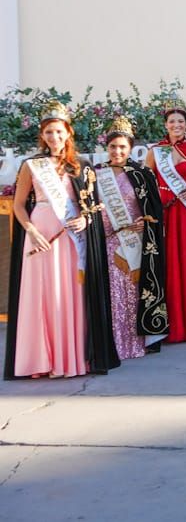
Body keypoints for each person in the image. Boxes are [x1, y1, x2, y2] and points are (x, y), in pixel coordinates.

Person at [4, 102, 119, 379]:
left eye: (58, 132)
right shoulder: (32, 166)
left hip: (71, 238)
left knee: (69, 295)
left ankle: (72, 359)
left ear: (68, 133)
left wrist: (85, 220)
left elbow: (92, 207)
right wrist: (31, 231)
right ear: (42, 137)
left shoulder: (82, 166)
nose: (53, 138)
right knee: (41, 295)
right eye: (48, 133)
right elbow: (19, 205)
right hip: (41, 235)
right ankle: (41, 359)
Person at [96, 116, 167, 359]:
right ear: (107, 148)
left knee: (132, 294)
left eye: (122, 147)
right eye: (113, 146)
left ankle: (135, 342)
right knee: (112, 295)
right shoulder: (97, 175)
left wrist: (144, 223)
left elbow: (154, 213)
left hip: (134, 244)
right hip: (106, 242)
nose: (117, 151)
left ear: (130, 148)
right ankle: (113, 343)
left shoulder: (142, 174)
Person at [145, 94, 186, 343]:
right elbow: (147, 186)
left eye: (180, 121)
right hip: (166, 216)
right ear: (166, 125)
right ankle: (172, 323)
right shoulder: (156, 152)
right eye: (172, 121)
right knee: (169, 266)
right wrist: (163, 195)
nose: (176, 125)